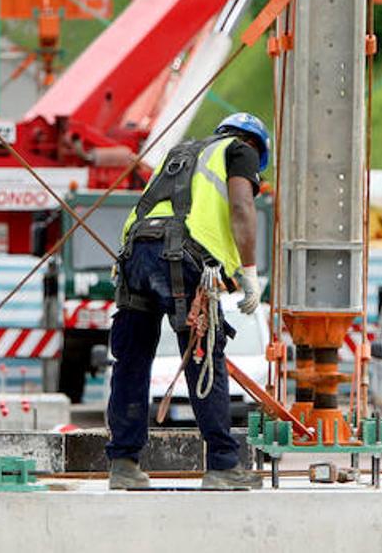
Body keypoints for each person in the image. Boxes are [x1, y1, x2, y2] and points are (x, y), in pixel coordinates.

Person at [104, 113, 269, 490]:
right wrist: (248, 272)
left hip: (134, 254)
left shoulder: (181, 153)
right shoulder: (240, 150)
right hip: (183, 259)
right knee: (203, 357)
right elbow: (242, 207)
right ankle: (223, 466)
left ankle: (124, 465)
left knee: (131, 362)